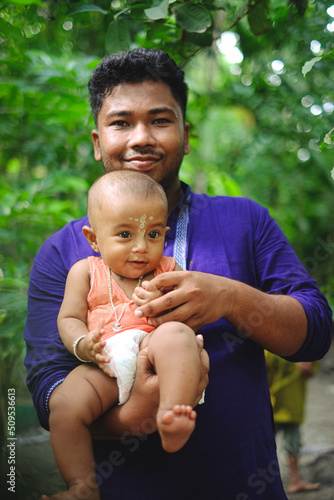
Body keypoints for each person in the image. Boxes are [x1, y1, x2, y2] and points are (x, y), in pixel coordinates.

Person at [24, 48, 332, 500]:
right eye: (121, 122)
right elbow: (46, 387)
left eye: (160, 120)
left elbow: (317, 331)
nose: (141, 137)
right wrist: (138, 415)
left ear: (185, 136)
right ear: (97, 140)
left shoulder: (246, 222)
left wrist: (230, 299)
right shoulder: (64, 253)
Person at [42, 170, 204, 500]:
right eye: (126, 234)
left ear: (165, 234)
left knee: (175, 336)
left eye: (154, 234)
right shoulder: (86, 271)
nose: (141, 248)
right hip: (105, 362)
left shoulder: (168, 270)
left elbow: (187, 319)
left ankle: (171, 413)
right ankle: (82, 487)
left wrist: (163, 308)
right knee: (63, 406)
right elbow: (70, 317)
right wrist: (84, 344)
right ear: (94, 239)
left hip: (151, 348)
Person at [265, 351, 320, 494]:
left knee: (293, 445)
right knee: (263, 445)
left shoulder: (302, 348)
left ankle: (295, 481)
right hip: (270, 407)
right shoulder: (265, 348)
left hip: (291, 407)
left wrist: (307, 369)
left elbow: (312, 369)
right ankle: (262, 483)